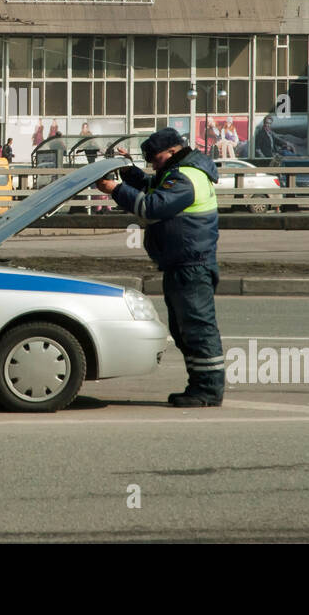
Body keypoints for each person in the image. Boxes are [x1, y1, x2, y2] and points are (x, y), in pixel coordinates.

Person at [94, 127, 224, 408]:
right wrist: (129, 173)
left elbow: (152, 206)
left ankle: (208, 390)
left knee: (198, 329)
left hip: (191, 266)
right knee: (183, 330)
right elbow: (154, 187)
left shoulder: (186, 178)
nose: (153, 164)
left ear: (174, 151)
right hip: (182, 264)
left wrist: (116, 189)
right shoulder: (178, 172)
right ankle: (200, 386)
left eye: (156, 158)